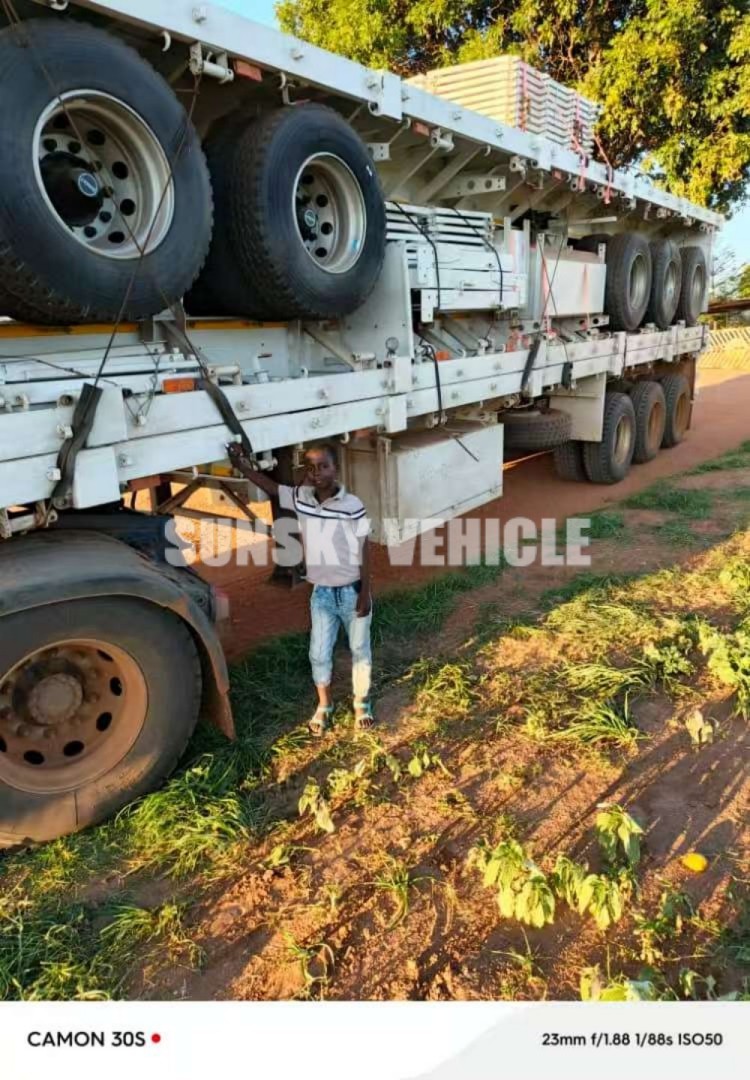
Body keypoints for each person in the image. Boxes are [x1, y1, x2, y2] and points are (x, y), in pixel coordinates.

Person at [227, 441, 374, 735]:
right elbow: (269, 487)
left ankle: (362, 703)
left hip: (352, 591)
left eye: (324, 466)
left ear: (337, 468)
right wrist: (242, 465)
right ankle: (324, 705)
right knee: (319, 653)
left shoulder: (352, 505)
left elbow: (364, 548)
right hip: (320, 594)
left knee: (360, 650)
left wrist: (365, 592)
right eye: (311, 467)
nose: (318, 472)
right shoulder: (301, 498)